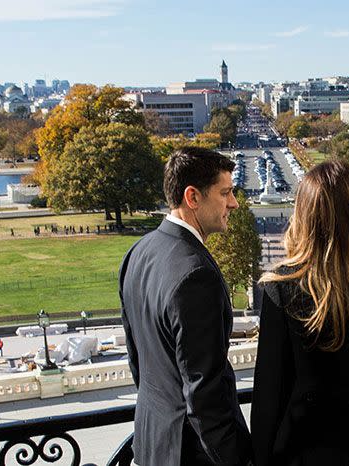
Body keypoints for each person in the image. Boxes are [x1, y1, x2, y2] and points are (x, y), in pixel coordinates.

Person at [251, 159, 349, 466]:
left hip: (306, 445)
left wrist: (261, 458)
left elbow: (270, 394)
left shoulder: (281, 287)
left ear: (305, 214)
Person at [119, 147, 251, 466]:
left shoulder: (138, 253)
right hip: (191, 452)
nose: (233, 203)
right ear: (193, 197)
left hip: (152, 442)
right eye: (225, 192)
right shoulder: (196, 276)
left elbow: (138, 360)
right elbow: (205, 393)